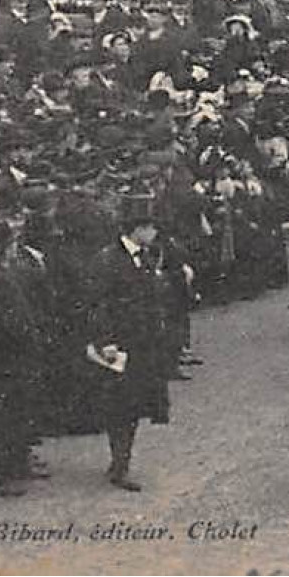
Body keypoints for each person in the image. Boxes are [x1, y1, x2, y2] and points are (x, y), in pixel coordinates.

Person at [85, 198, 172, 492]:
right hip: (120, 343)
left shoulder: (146, 256)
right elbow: (98, 304)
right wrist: (105, 341)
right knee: (121, 406)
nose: (154, 233)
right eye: (150, 228)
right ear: (138, 229)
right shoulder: (107, 260)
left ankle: (120, 460)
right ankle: (120, 464)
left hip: (143, 342)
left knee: (133, 405)